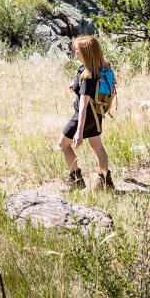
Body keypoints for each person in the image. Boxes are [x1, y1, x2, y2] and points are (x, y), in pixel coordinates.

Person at [58, 35, 114, 191]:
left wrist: (79, 132)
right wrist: (74, 84)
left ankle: (76, 179)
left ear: (86, 52)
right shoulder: (97, 67)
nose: (74, 51)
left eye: (77, 49)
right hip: (96, 115)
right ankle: (105, 182)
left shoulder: (88, 77)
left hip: (83, 116)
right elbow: (82, 83)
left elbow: (82, 106)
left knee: (63, 144)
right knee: (97, 145)